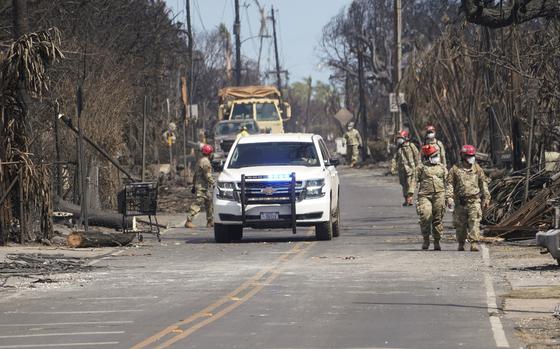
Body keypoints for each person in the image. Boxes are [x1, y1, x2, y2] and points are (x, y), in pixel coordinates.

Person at [446, 145, 490, 252]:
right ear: (463, 156)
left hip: (474, 200)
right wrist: (449, 197)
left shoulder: (477, 169)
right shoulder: (455, 169)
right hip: (460, 202)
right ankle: (461, 242)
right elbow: (449, 184)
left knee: (474, 222)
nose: (471, 158)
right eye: (469, 156)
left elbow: (483, 183)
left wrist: (486, 197)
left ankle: (474, 243)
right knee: (460, 225)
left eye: (472, 156)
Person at [416, 144, 447, 251]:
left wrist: (451, 196)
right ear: (428, 157)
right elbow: (414, 180)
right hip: (424, 195)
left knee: (437, 219)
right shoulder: (421, 167)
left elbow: (448, 182)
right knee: (425, 216)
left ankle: (437, 241)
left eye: (437, 155)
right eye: (434, 156)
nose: (436, 157)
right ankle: (426, 239)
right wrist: (410, 193)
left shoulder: (442, 167)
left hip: (439, 195)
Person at [185, 144, 215, 229]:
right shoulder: (206, 162)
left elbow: (195, 175)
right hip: (202, 187)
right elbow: (207, 175)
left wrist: (194, 185)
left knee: (209, 201)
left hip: (202, 187)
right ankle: (188, 221)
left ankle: (210, 221)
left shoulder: (200, 160)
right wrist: (214, 183)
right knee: (198, 203)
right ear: (209, 153)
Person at [391, 130, 419, 206]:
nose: (399, 139)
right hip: (402, 169)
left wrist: (418, 166)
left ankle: (410, 198)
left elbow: (417, 156)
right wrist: (393, 168)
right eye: (398, 138)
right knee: (404, 184)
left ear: (405, 138)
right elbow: (394, 158)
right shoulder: (398, 148)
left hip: (411, 169)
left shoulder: (411, 146)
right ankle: (406, 198)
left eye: (401, 138)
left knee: (410, 184)